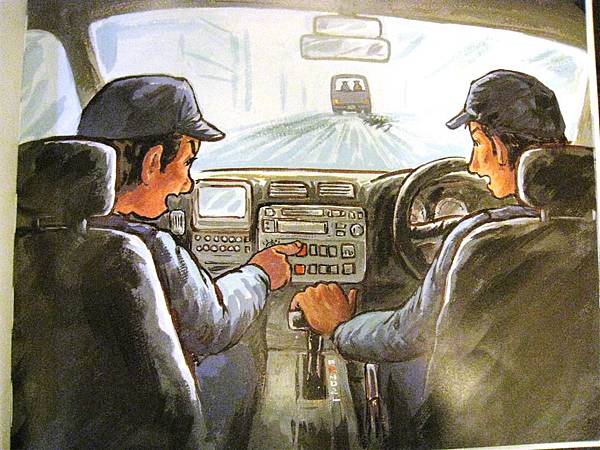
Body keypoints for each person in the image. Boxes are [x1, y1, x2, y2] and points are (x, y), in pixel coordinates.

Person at [291, 70, 572, 442]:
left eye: (477, 143)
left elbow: (403, 335)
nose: (473, 165)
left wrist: (340, 327)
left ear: (501, 148)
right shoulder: (588, 228)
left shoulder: (477, 241)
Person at [78, 75, 302, 447]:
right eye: (187, 163)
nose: (188, 184)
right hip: (150, 431)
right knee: (240, 346)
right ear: (152, 163)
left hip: (86, 422)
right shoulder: (148, 248)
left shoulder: (35, 236)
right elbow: (214, 324)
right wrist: (261, 273)